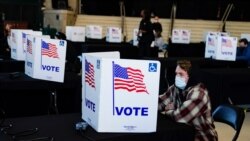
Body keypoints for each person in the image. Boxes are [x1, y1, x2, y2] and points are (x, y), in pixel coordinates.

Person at [158, 60, 218, 141]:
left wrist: (167, 110)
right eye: (176, 74)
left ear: (191, 75)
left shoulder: (199, 94)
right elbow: (161, 101)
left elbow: (179, 116)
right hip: (184, 132)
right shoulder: (176, 88)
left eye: (181, 74)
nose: (177, 77)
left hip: (202, 136)